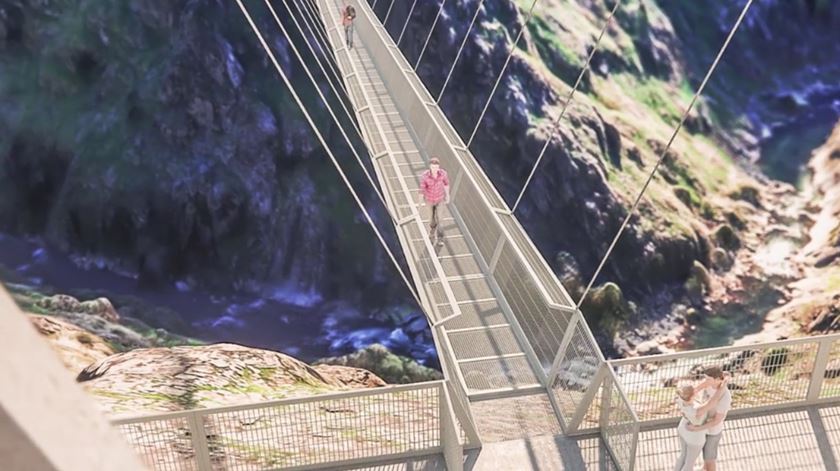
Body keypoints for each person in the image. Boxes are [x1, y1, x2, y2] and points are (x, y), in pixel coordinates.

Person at [673, 374, 730, 471]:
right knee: (689, 463)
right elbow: (714, 400)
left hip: (683, 429)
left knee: (682, 456)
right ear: (693, 395)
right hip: (695, 437)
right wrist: (723, 386)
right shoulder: (698, 409)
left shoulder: (680, 399)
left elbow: (690, 392)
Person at [419, 157, 450, 248]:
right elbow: (422, 190)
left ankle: (440, 238)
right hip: (429, 201)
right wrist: (420, 205)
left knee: (440, 220)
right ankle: (432, 232)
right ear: (430, 167)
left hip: (440, 199)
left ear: (438, 167)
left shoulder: (443, 174)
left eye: (436, 167)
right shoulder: (425, 176)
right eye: (433, 167)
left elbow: (446, 184)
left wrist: (447, 195)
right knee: (431, 220)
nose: (434, 169)